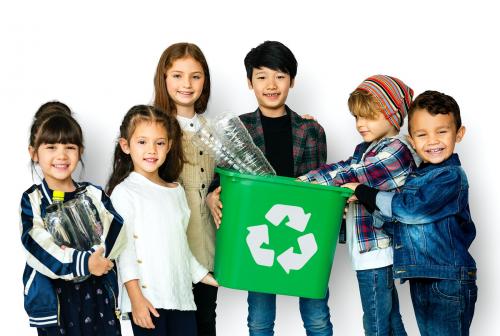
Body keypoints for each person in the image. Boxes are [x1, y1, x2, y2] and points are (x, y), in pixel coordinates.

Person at [207, 40, 331, 336]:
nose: (271, 85)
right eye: (262, 77)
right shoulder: (238, 129)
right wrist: (212, 195)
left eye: (280, 76)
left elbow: (320, 186)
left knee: (317, 317)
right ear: (250, 83)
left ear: (292, 81)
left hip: (302, 230)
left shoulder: (311, 130)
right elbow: (222, 177)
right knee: (260, 320)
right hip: (258, 232)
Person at [343, 90, 477, 336]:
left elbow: (410, 210)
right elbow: (400, 222)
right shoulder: (419, 176)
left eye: (442, 131)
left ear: (459, 133)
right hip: (423, 277)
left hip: (448, 280)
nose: (432, 141)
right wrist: (365, 203)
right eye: (422, 134)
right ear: (412, 141)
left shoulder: (450, 176)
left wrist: (364, 192)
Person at [298, 75, 418, 336]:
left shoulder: (398, 150)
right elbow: (342, 167)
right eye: (356, 117)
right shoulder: (365, 149)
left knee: (375, 323)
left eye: (369, 116)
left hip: (378, 251)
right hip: (367, 251)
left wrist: (311, 185)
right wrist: (304, 182)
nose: (360, 124)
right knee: (391, 320)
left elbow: (356, 174)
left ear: (393, 115)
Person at [107, 104, 218, 336]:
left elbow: (181, 248)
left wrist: (210, 278)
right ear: (125, 146)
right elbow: (124, 252)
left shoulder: (175, 191)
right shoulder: (124, 192)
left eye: (159, 142)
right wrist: (136, 300)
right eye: (142, 142)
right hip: (149, 302)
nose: (152, 150)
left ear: (169, 145)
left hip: (182, 299)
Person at [20, 101, 126, 336]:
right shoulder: (33, 200)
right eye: (51, 147)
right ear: (34, 153)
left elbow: (117, 229)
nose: (61, 155)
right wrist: (84, 262)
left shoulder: (94, 194)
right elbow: (38, 246)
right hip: (55, 303)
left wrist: (99, 256)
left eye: (69, 146)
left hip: (98, 296)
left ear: (80, 151)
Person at [152, 42, 218, 336]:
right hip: (168, 250)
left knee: (205, 321)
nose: (186, 84)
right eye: (177, 75)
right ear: (164, 79)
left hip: (206, 248)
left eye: (195, 76)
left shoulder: (215, 129)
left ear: (205, 81)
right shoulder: (150, 129)